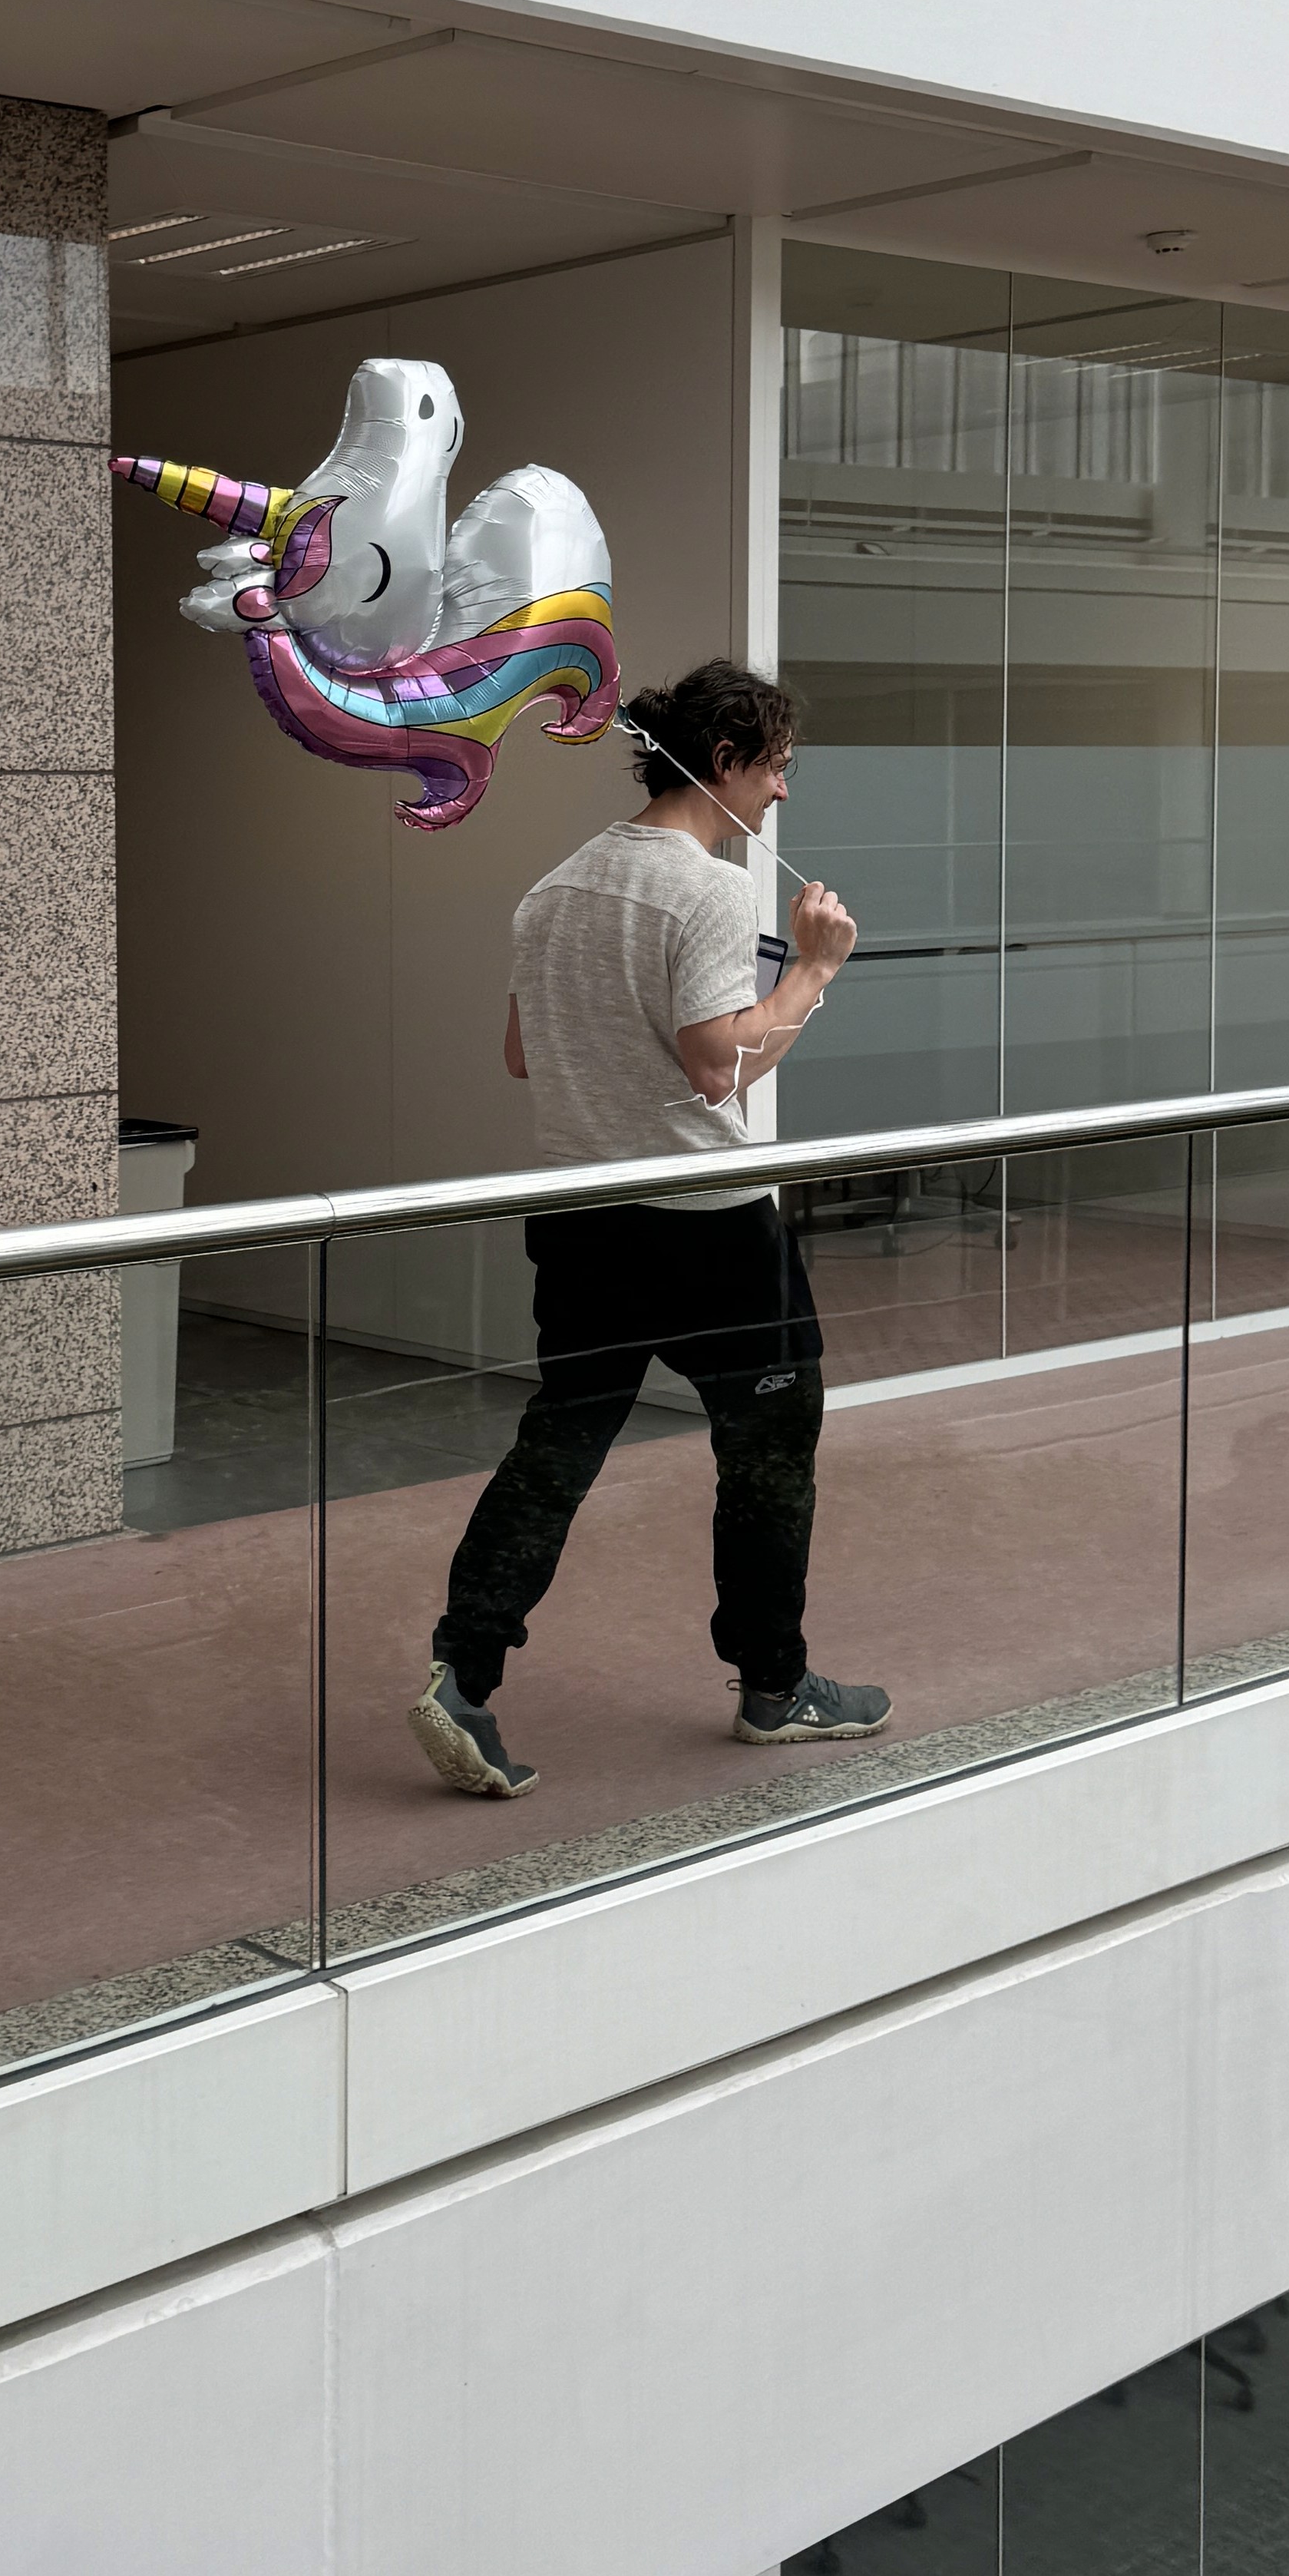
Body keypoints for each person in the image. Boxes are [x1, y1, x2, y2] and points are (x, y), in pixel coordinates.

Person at [411, 656, 888, 1804]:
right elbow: (719, 1066)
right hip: (707, 1225)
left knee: (559, 1444)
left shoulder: (556, 887)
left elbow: (526, 1054)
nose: (783, 796)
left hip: (579, 1219)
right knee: (769, 1452)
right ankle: (774, 1687)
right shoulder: (710, 891)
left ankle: (461, 1674)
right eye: (777, 771)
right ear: (725, 761)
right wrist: (814, 971)